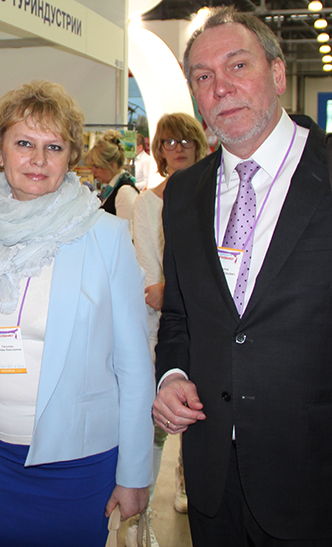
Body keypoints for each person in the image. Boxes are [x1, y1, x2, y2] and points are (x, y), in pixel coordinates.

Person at [152, 6, 332, 546]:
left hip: (328, 486)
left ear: (278, 73)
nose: (221, 87)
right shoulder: (185, 194)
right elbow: (180, 318)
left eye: (238, 65)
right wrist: (171, 375)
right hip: (214, 485)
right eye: (203, 76)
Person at [0, 80, 154, 547]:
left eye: (53, 147)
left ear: (71, 157)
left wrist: (135, 472)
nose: (38, 159)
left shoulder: (105, 237)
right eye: (24, 143)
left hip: (79, 465)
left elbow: (135, 366)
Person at [129, 111, 208, 546]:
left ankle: (187, 483)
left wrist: (175, 291)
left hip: (210, 333)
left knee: (204, 419)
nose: (177, 149)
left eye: (184, 141)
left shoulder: (216, 195)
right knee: (155, 426)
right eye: (168, 142)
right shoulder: (148, 203)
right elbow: (151, 283)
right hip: (159, 331)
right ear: (158, 150)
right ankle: (140, 524)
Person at [85, 129, 139, 223]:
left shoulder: (125, 192)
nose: (92, 171)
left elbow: (127, 230)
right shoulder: (112, 188)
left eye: (97, 166)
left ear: (112, 165)